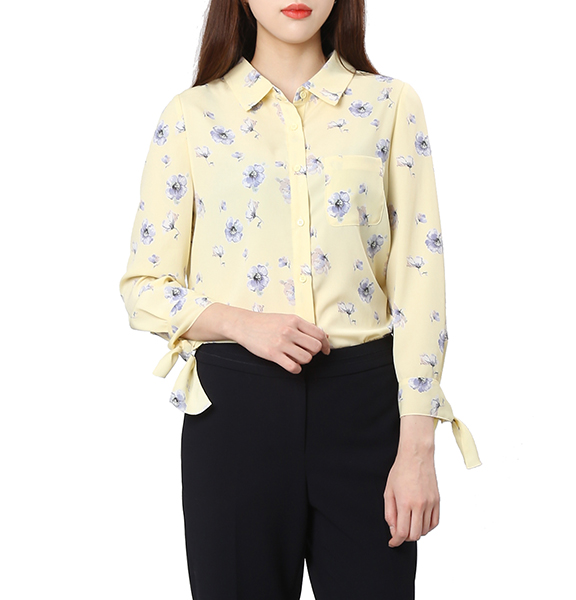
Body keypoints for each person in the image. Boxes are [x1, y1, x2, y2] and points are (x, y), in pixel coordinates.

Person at [118, 0, 482, 598]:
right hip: (236, 414)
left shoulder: (390, 105)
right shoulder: (190, 116)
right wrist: (243, 324)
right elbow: (144, 287)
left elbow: (420, 281)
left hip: (365, 412)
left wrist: (418, 447)